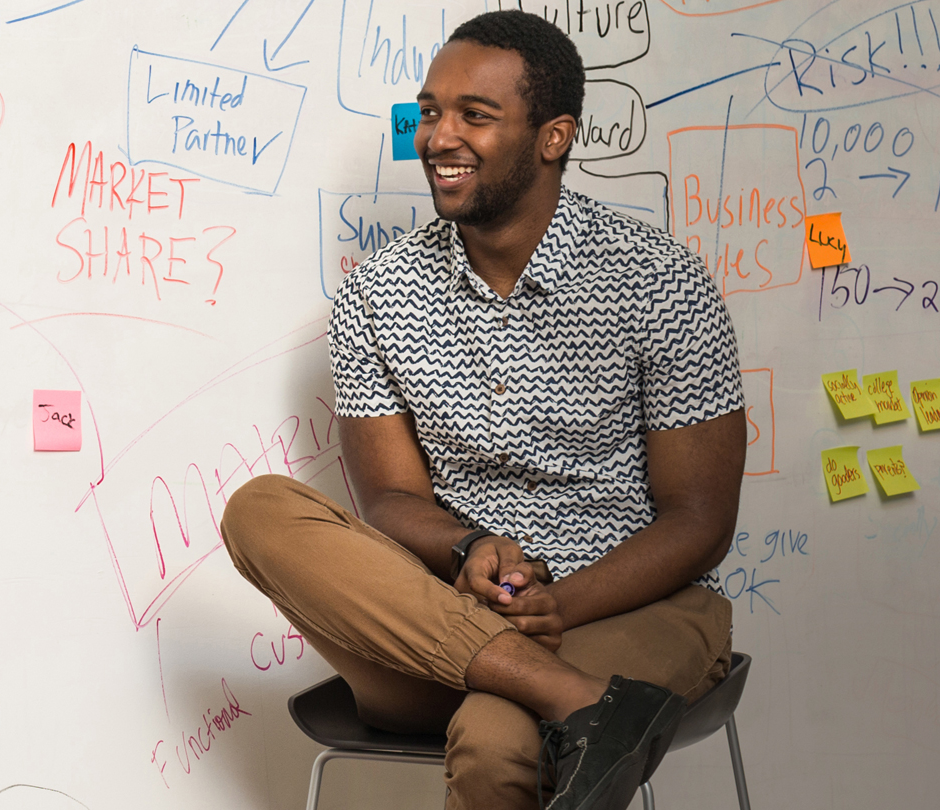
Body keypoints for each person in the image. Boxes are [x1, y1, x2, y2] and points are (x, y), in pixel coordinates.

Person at [219, 11, 746, 810]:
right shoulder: (377, 295)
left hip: (630, 606)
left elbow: (699, 518)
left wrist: (555, 603)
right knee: (260, 510)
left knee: (501, 736)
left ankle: (551, 693)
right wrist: (467, 547)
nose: (439, 136)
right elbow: (393, 503)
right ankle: (580, 702)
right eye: (431, 111)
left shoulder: (656, 280)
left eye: (476, 115)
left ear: (553, 136)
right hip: (437, 624)